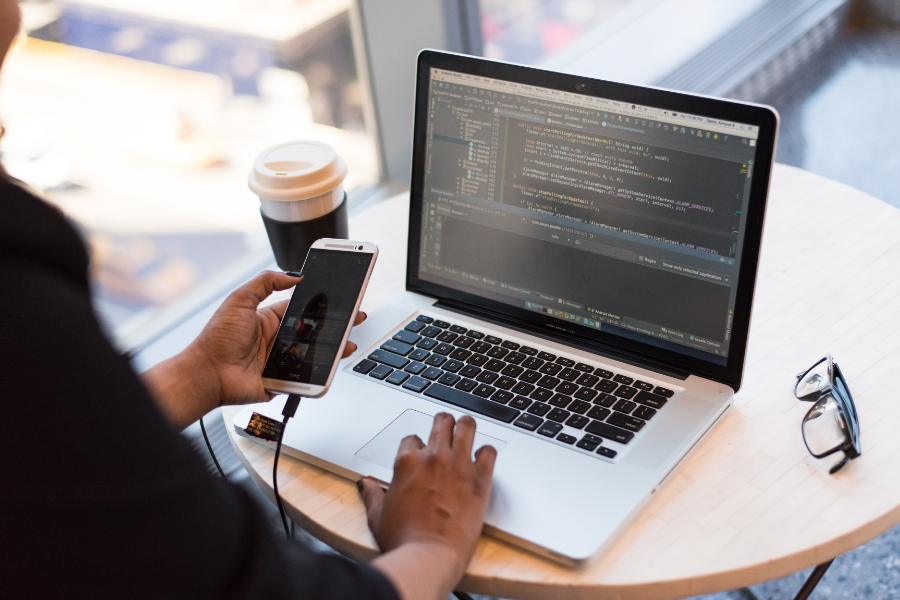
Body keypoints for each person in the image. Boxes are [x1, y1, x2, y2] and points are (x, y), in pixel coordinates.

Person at [0, 3, 497, 598]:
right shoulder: (20, 309)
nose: (5, 131)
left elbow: (54, 455)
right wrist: (432, 546)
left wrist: (200, 373)